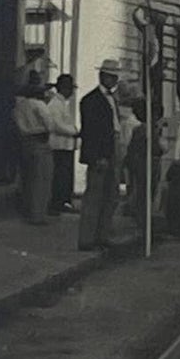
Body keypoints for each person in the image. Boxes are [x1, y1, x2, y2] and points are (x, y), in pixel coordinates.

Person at [77, 58, 123, 251]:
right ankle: (87, 238)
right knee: (94, 195)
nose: (114, 81)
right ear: (102, 76)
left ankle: (102, 235)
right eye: (111, 77)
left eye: (115, 77)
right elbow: (91, 132)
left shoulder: (112, 100)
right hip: (100, 151)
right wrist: (97, 156)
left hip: (113, 146)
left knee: (110, 194)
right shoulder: (91, 100)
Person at [12, 77, 53, 226]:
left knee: (27, 178)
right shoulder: (39, 105)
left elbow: (19, 126)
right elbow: (50, 124)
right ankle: (38, 214)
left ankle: (27, 210)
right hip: (40, 140)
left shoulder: (18, 107)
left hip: (24, 142)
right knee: (41, 179)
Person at [123, 97, 164, 222]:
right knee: (145, 192)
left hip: (139, 163)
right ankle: (142, 217)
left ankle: (140, 215)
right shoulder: (146, 130)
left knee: (141, 190)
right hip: (146, 163)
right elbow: (156, 148)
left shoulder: (140, 129)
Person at [44, 73, 79, 213]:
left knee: (65, 176)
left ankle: (64, 201)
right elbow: (56, 125)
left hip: (66, 145)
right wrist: (74, 132)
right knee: (60, 176)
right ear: (64, 88)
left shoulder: (62, 103)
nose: (71, 92)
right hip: (59, 145)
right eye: (70, 88)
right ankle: (58, 202)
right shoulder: (55, 104)